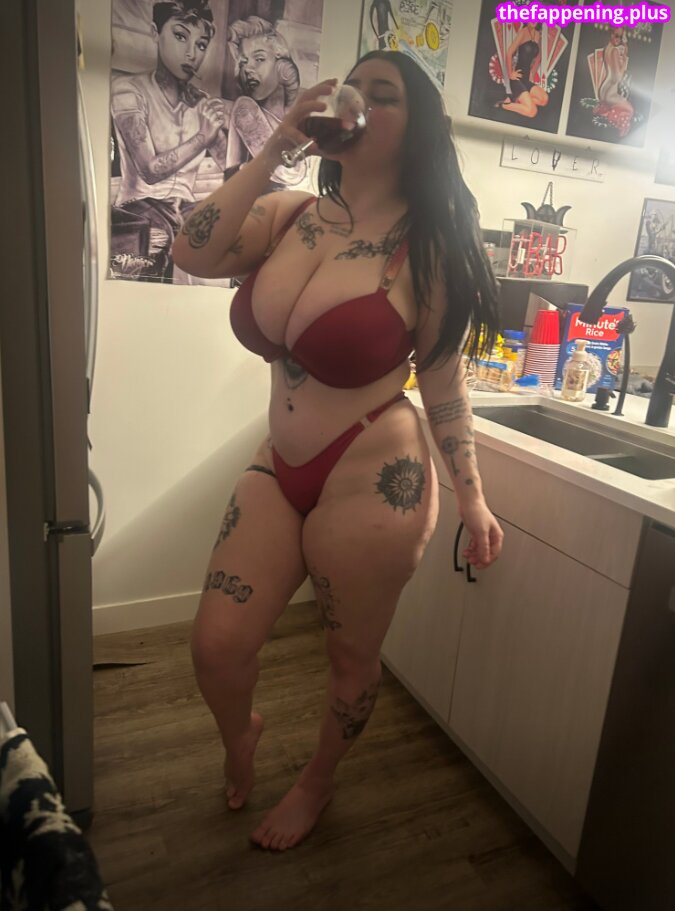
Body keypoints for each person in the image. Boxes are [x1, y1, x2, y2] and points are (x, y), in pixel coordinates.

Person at [172, 50, 504, 852]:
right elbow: (191, 252)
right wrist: (273, 146)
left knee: (349, 656)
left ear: (417, 128)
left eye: (381, 95)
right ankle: (240, 735)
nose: (356, 103)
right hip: (279, 462)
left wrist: (471, 496)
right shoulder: (291, 215)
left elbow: (444, 383)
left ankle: (317, 782)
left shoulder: (427, 248)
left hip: (373, 470)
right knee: (216, 645)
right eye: (352, 89)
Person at [110, 0, 229, 281]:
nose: (191, 54)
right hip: (141, 207)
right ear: (155, 32)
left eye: (201, 45)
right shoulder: (128, 90)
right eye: (180, 36)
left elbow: (230, 168)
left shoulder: (201, 102)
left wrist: (220, 128)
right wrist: (203, 137)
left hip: (188, 209)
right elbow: (150, 171)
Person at [224, 16, 306, 188]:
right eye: (243, 62)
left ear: (282, 66)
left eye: (259, 59)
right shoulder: (244, 109)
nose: (248, 69)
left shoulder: (298, 123)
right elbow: (289, 172)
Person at [496, 22, 549, 118]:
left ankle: (514, 99)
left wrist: (532, 72)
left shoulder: (537, 34)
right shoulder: (523, 32)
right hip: (517, 80)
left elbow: (538, 57)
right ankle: (504, 105)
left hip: (526, 80)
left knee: (544, 99)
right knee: (532, 111)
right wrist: (510, 74)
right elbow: (509, 53)